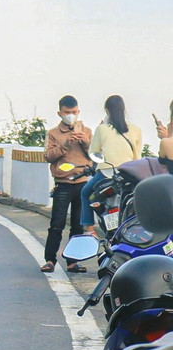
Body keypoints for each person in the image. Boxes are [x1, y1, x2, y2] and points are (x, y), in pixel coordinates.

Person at [42, 95, 92, 273]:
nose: (71, 115)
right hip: (63, 183)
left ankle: (73, 261)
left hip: (82, 182)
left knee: (78, 225)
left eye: (73, 112)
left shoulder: (87, 131)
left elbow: (94, 155)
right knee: (57, 223)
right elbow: (48, 156)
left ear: (78, 112)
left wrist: (85, 142)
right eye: (67, 112)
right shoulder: (53, 133)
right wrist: (65, 144)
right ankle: (50, 260)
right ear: (60, 113)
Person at [80, 94, 143, 236]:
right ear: (123, 110)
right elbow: (137, 157)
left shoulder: (102, 129)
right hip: (127, 175)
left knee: (85, 193)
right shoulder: (136, 130)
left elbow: (93, 153)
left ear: (107, 111)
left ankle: (90, 229)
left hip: (105, 174)